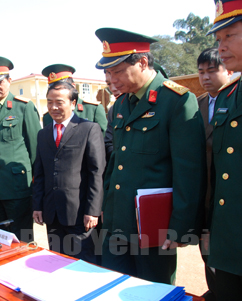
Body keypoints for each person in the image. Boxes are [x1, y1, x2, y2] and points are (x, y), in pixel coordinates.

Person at [96, 27, 206, 284]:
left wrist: (181, 226)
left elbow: (189, 170)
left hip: (154, 226)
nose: (113, 80)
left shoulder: (177, 101)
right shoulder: (122, 104)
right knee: (114, 287)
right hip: (118, 221)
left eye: (118, 71)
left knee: (152, 290)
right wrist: (106, 208)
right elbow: (117, 162)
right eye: (108, 73)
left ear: (143, 62)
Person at [32, 81, 105, 263]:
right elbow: (40, 173)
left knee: (84, 265)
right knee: (57, 261)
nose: (53, 107)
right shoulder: (43, 134)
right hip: (52, 213)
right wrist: (38, 206)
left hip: (80, 214)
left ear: (73, 103)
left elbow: (96, 172)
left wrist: (93, 210)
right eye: (49, 102)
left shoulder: (88, 129)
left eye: (59, 102)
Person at [0, 56, 41, 240]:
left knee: (22, 237)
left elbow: (35, 148)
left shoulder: (23, 107)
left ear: (9, 81)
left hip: (18, 187)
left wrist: (37, 185)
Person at [205, 1, 242, 298]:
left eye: (229, 35)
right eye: (218, 40)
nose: (222, 46)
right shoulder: (230, 93)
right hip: (230, 240)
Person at [196, 47, 233, 301]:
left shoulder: (234, 98)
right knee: (206, 245)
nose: (205, 77)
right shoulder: (195, 104)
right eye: (201, 72)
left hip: (229, 191)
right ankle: (214, 288)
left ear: (227, 70)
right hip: (204, 192)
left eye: (212, 70)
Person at [41, 64, 107, 133]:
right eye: (53, 88)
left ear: (73, 86)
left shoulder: (93, 109)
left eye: (62, 87)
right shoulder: (48, 117)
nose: (57, 92)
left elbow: (103, 140)